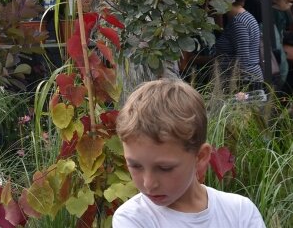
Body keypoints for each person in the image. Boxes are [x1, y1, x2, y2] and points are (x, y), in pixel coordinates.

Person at [113, 79, 265, 227]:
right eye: (135, 166)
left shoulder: (240, 212)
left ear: (200, 157)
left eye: (165, 168)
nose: (149, 183)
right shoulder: (132, 218)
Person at [215, 0, 263, 90]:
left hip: (244, 81)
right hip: (247, 78)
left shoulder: (239, 23)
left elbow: (243, 59)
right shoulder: (244, 17)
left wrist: (234, 84)